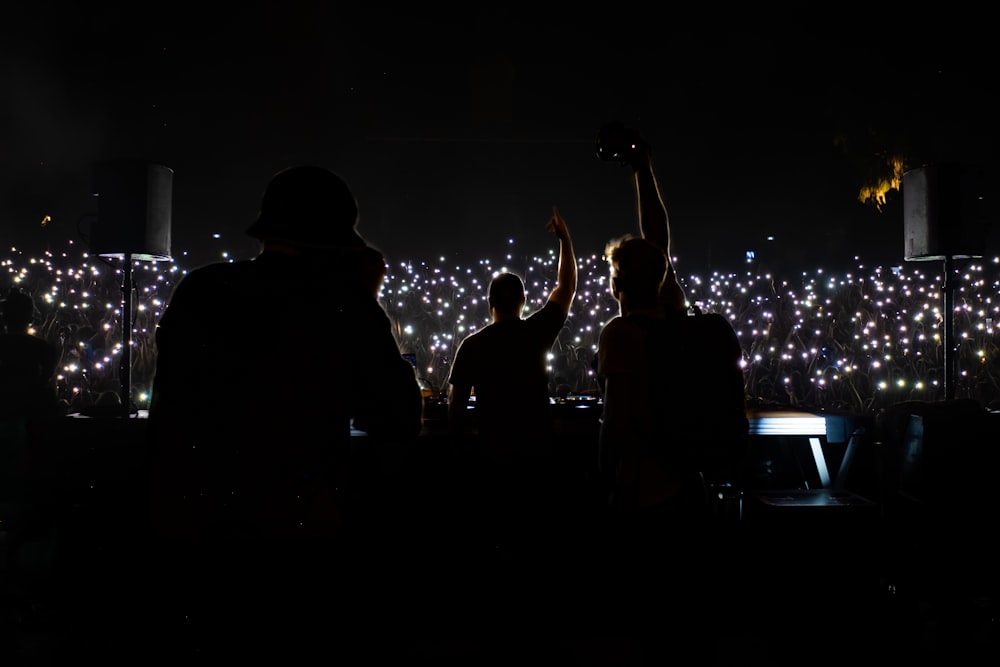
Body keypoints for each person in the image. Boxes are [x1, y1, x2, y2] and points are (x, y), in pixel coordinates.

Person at [141, 165, 424, 659]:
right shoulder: (342, 305)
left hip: (193, 533)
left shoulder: (200, 288)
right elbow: (399, 414)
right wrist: (367, 302)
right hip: (295, 537)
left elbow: (167, 406)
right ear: (337, 241)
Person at [446, 206, 577, 553]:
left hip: (493, 456)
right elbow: (567, 286)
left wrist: (457, 450)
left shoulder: (471, 345)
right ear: (523, 301)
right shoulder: (536, 332)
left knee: (496, 534)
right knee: (534, 534)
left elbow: (455, 407)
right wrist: (565, 239)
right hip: (537, 452)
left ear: (489, 302)